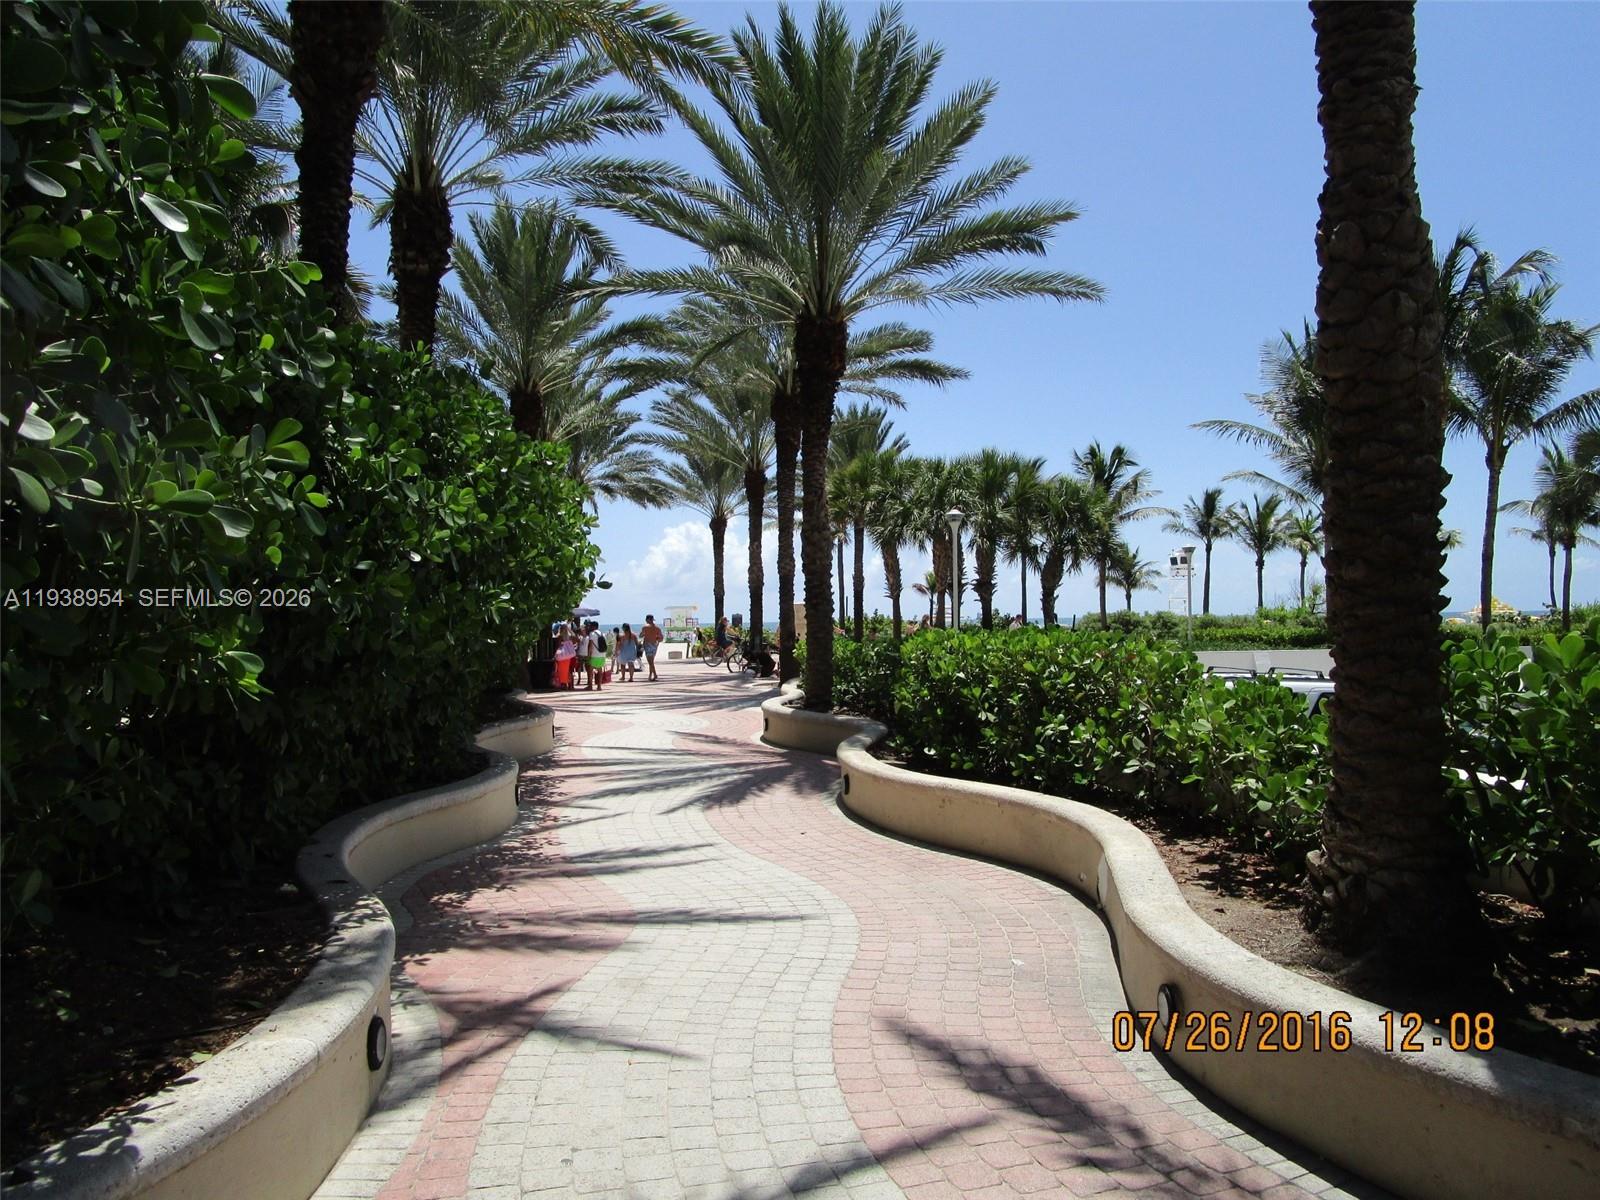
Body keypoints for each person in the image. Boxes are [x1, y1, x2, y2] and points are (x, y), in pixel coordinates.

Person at [582, 621, 605, 691]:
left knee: (590, 670)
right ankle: (599, 686)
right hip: (602, 654)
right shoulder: (602, 633)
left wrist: (588, 655)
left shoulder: (592, 634)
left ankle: (590, 686)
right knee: (600, 670)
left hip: (594, 654)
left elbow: (590, 645)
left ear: (593, 627)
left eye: (591, 626)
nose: (590, 627)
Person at [641, 614, 664, 680]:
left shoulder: (645, 627)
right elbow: (661, 638)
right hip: (654, 645)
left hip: (647, 645)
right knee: (651, 661)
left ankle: (655, 674)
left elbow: (640, 635)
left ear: (648, 619)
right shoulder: (657, 628)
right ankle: (651, 675)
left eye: (646, 619)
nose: (645, 620)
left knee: (650, 662)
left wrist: (645, 634)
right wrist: (656, 640)